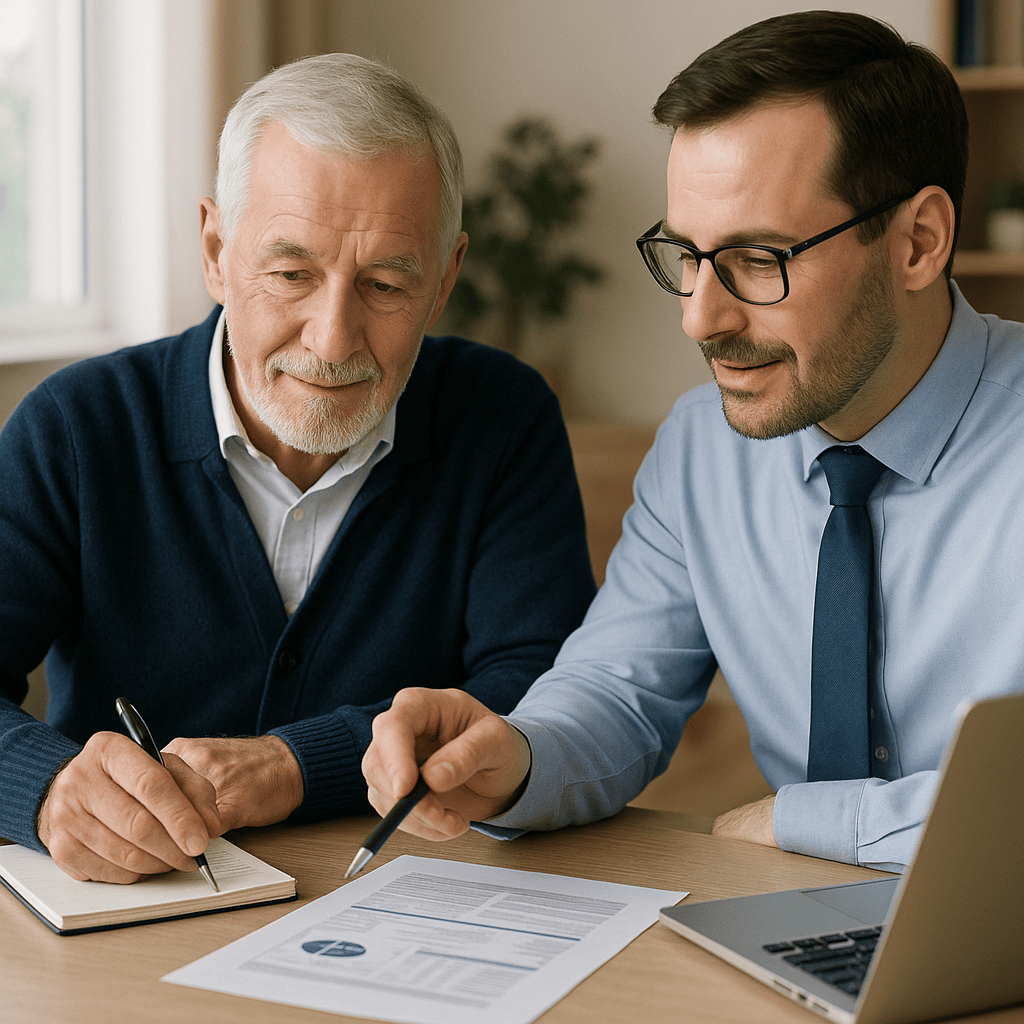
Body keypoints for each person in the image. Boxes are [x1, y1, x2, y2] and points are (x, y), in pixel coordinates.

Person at [361, 11, 1024, 874]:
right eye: (686, 254)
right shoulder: (700, 447)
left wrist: (814, 822)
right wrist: (512, 760)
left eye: (757, 259)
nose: (699, 318)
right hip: (797, 940)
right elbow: (617, 692)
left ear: (918, 243)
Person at [0, 54, 596, 883]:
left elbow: (546, 686)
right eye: (291, 274)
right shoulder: (75, 426)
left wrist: (294, 765)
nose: (332, 338)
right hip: (131, 913)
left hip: (407, 896)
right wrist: (43, 787)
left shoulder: (503, 416)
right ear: (215, 250)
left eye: (387, 283)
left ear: (445, 278)